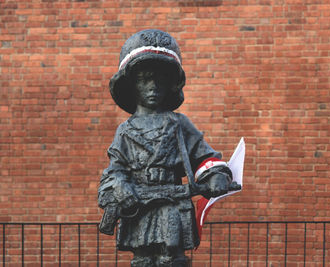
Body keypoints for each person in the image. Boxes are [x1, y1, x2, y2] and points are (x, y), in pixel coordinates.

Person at [98, 29, 239, 267]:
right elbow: (115, 170)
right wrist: (121, 188)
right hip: (139, 207)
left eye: (159, 79)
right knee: (142, 259)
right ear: (132, 85)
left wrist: (215, 176)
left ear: (170, 84)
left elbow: (204, 157)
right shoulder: (124, 130)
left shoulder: (180, 124)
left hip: (173, 205)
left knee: (171, 258)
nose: (152, 86)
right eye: (144, 79)